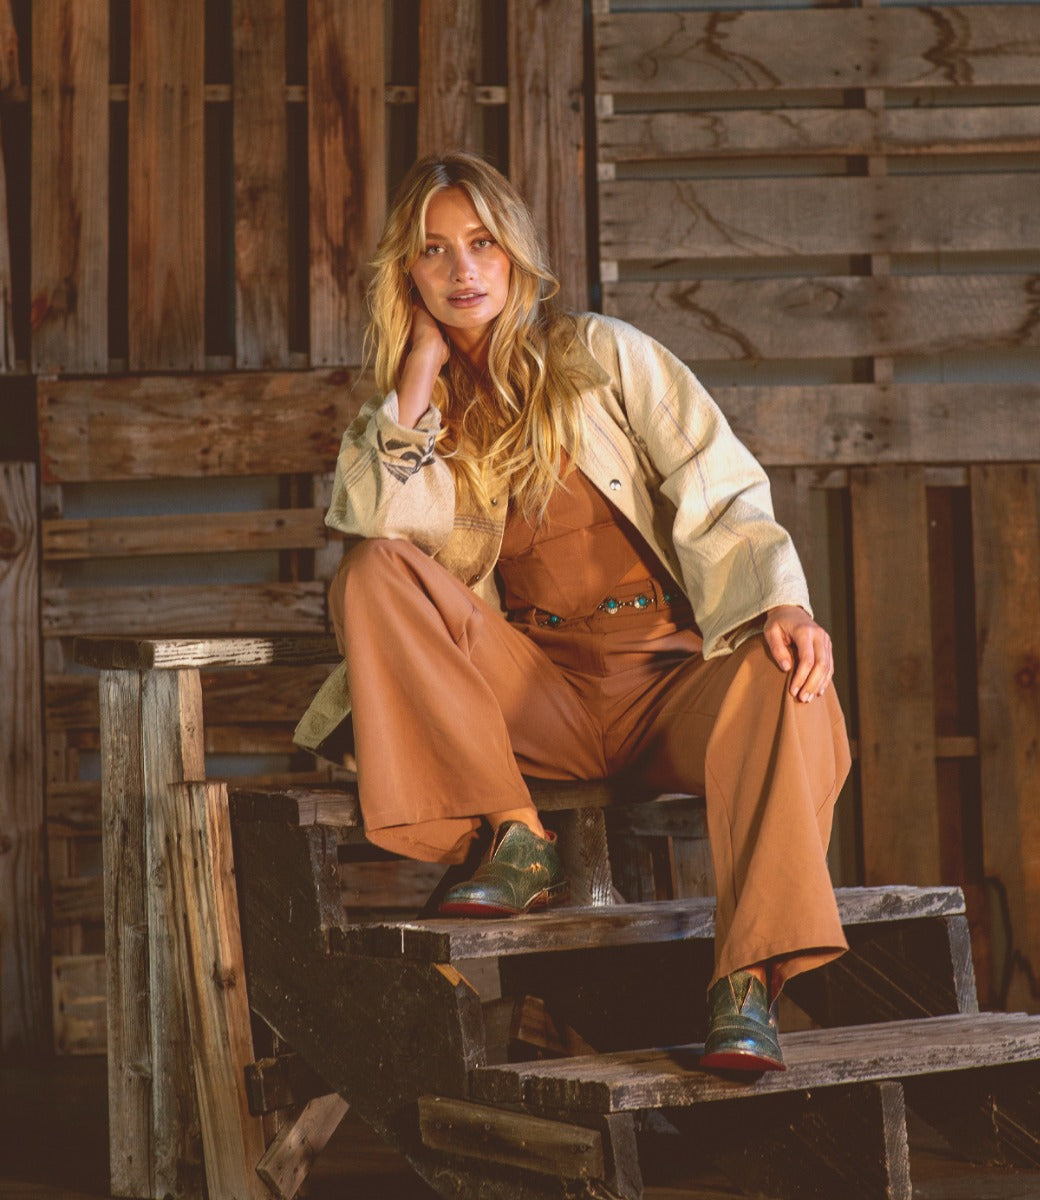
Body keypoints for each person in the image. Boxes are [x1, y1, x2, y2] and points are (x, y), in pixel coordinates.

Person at [294, 151, 851, 1072]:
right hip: (537, 696)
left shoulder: (600, 353)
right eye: (435, 252)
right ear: (409, 272)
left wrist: (782, 602)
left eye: (480, 244)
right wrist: (419, 376)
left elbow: (719, 484)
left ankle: (746, 980)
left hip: (669, 683)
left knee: (795, 682)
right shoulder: (407, 417)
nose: (463, 270)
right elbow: (382, 525)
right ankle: (518, 835)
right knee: (371, 572)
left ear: (514, 254)